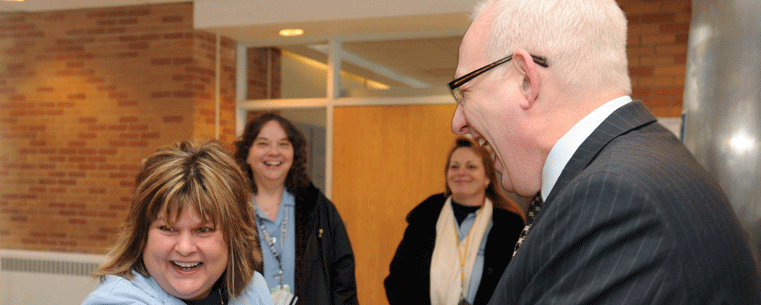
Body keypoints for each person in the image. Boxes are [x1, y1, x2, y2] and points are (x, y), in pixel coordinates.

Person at [449, 0, 761, 304]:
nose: (458, 122)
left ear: (525, 80)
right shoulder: (643, 165)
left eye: (465, 91)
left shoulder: (613, 197)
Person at [82, 140, 273, 305]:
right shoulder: (115, 300)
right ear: (141, 235)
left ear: (235, 236)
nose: (184, 247)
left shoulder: (253, 290)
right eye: (168, 228)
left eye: (203, 229)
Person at [234, 112, 358, 305]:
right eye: (263, 143)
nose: (274, 152)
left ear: (294, 154)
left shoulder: (317, 207)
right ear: (247, 154)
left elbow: (343, 277)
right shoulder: (232, 210)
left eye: (283, 144)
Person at [384, 136, 525, 305]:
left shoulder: (509, 225)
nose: (461, 173)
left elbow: (518, 284)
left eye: (471, 167)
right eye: (454, 167)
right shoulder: (424, 218)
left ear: (488, 177)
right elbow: (397, 279)